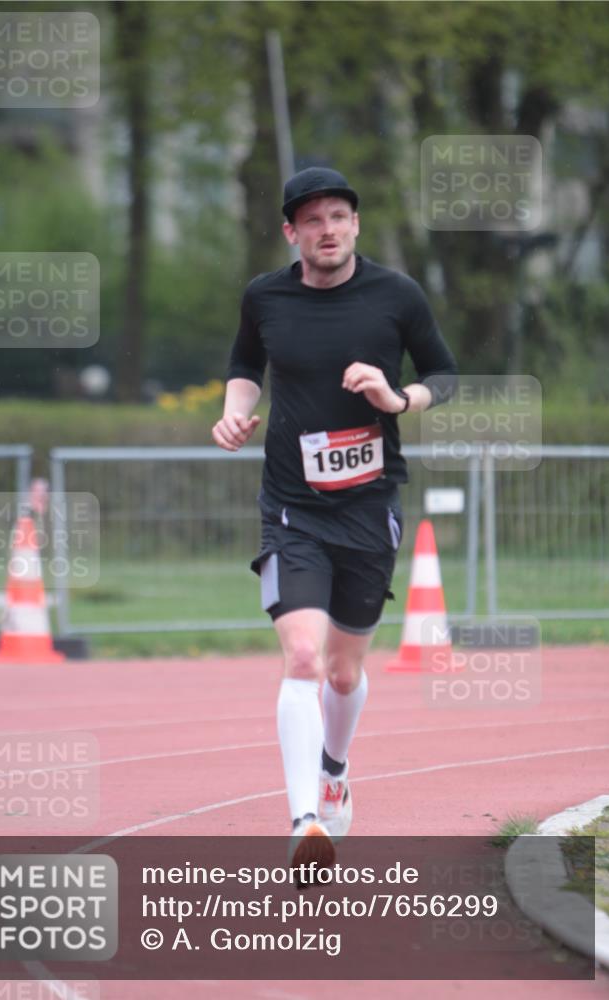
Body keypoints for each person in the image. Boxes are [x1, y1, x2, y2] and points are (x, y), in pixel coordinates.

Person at [212, 166, 457, 869]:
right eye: (313, 220)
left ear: (355, 226)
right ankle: (304, 819)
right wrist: (233, 413)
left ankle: (335, 771)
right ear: (291, 232)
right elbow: (242, 363)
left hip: (368, 506)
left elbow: (444, 374)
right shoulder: (265, 296)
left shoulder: (395, 295)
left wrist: (396, 397)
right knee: (300, 657)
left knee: (344, 674)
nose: (328, 230)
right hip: (290, 507)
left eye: (338, 217)